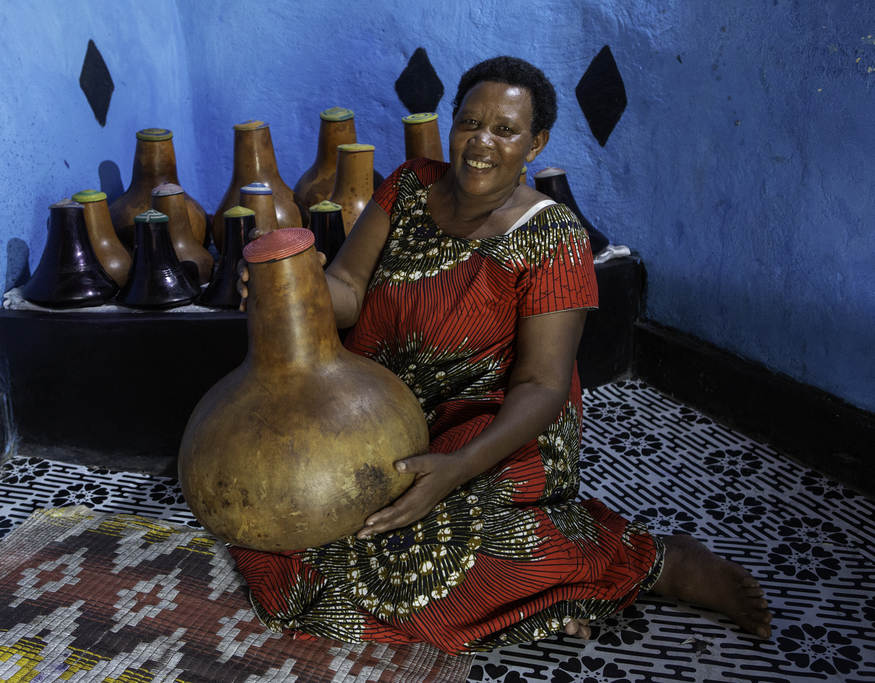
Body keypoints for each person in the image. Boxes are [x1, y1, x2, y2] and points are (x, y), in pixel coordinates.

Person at [232, 55, 772, 654]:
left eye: (505, 130)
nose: (480, 144)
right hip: (372, 414)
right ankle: (547, 599)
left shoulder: (553, 237)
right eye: (468, 123)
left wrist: (456, 470)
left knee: (428, 557)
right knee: (285, 519)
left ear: (535, 144)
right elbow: (349, 291)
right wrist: (296, 292)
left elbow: (542, 385)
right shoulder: (407, 185)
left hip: (493, 427)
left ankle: (657, 561)